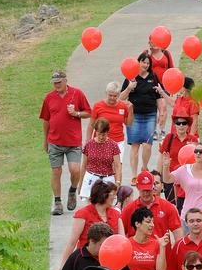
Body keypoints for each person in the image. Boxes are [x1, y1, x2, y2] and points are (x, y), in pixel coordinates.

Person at [40, 70, 91, 215]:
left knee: (75, 170)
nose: (56, 85)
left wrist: (76, 114)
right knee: (56, 171)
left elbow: (89, 112)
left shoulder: (77, 94)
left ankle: (72, 190)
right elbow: (46, 120)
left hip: (73, 141)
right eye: (54, 83)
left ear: (65, 81)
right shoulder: (49, 98)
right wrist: (45, 141)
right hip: (54, 141)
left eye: (59, 82)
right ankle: (57, 203)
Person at [57, 180, 124, 270]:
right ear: (104, 195)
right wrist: (62, 268)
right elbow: (72, 243)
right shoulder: (83, 214)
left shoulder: (116, 214)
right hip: (86, 262)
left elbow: (122, 241)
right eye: (112, 194)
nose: (114, 197)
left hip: (109, 263)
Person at [58, 221, 136, 270]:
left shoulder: (115, 256)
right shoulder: (76, 257)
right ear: (91, 241)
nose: (106, 248)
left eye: (108, 244)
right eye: (102, 245)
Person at [120, 52, 161, 181]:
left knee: (148, 144)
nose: (146, 65)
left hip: (150, 114)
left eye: (148, 63)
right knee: (135, 145)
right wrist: (129, 88)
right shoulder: (130, 77)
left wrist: (162, 112)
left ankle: (144, 167)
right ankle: (134, 175)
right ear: (138, 62)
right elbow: (120, 98)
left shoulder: (153, 77)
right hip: (134, 115)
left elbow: (159, 96)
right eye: (143, 62)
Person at [121, 170, 183, 243]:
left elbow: (177, 231)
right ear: (137, 188)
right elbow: (120, 233)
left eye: (148, 190)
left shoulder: (167, 206)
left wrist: (178, 250)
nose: (146, 193)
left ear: (153, 187)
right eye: (143, 190)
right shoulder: (129, 209)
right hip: (137, 252)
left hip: (161, 252)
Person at [167, 142, 202, 220]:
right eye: (196, 151)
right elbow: (167, 179)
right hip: (188, 216)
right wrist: (165, 166)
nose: (198, 153)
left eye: (201, 152)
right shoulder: (185, 169)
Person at [157, 112, 199, 205]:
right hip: (170, 176)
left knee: (186, 204)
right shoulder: (169, 137)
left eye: (184, 123)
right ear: (174, 125)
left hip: (187, 178)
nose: (181, 125)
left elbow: (199, 159)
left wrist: (194, 147)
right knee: (171, 204)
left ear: (188, 125)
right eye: (178, 123)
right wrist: (159, 174)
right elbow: (161, 156)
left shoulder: (193, 140)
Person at [78, 118, 122, 200]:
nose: (101, 137)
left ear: (107, 132)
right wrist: (80, 184)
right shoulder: (89, 144)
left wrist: (118, 182)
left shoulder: (113, 145)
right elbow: (84, 165)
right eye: (99, 134)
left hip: (108, 178)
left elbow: (118, 165)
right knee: (91, 207)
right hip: (91, 177)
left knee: (107, 205)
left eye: (104, 134)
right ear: (95, 131)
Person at [89, 81, 133, 159]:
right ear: (106, 93)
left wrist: (131, 109)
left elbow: (128, 123)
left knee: (117, 166)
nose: (112, 98)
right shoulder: (98, 106)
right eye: (110, 95)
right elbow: (91, 125)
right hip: (101, 140)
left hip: (118, 141)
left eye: (115, 96)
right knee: (102, 167)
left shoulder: (123, 106)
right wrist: (88, 141)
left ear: (119, 95)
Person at [128, 206, 169, 270]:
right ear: (137, 224)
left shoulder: (156, 243)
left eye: (153, 222)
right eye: (148, 222)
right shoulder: (127, 244)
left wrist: (162, 247)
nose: (152, 225)